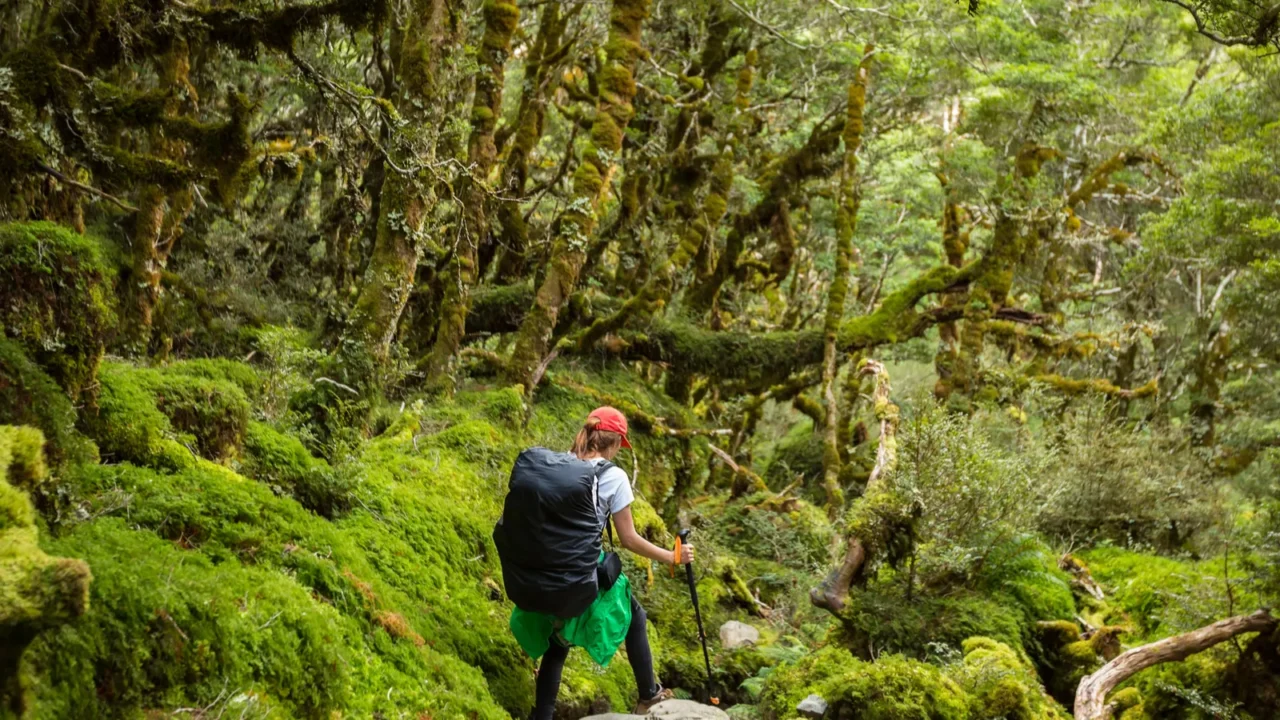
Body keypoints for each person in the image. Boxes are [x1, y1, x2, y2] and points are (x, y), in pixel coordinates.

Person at [511, 406, 694, 720]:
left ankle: (541, 715)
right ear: (614, 443)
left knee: (557, 641)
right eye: (620, 446)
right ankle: (648, 695)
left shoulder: (560, 463)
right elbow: (629, 539)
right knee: (634, 615)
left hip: (546, 567)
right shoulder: (614, 477)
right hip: (580, 570)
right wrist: (671, 556)